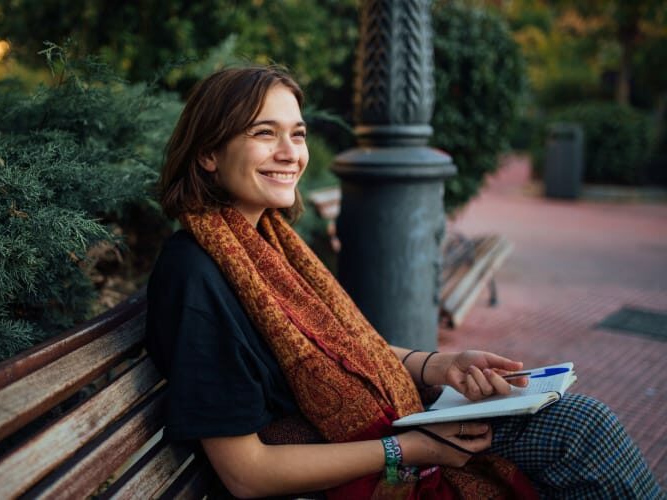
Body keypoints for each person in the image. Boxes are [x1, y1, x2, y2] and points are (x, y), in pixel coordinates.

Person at [145, 66, 663, 499]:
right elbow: (245, 473)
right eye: (263, 133)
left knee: (580, 425)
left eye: (297, 133)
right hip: (339, 469)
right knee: (580, 434)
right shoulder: (197, 274)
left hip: (369, 435)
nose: (291, 153)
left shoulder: (269, 245)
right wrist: (413, 449)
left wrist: (440, 365)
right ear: (208, 154)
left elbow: (340, 352)